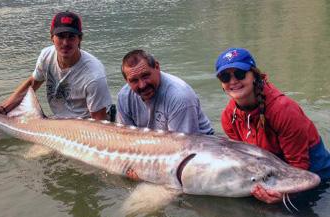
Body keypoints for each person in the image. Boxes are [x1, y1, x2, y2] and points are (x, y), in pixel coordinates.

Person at [215, 48, 330, 203]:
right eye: (225, 77)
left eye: (240, 74)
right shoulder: (228, 117)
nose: (233, 81)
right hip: (272, 174)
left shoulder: (284, 110)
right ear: (221, 84)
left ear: (254, 76)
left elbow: (299, 165)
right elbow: (244, 159)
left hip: (315, 177)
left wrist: (285, 196)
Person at [0, 11, 112, 121]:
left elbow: (99, 123)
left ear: (80, 39)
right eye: (61, 36)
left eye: (71, 37)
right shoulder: (46, 55)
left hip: (86, 125)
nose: (66, 42)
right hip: (58, 121)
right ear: (52, 37)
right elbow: (32, 84)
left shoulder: (94, 75)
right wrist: (4, 109)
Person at [117, 49, 214, 135]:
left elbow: (182, 145)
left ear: (157, 67)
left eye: (146, 75)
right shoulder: (124, 97)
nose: (142, 85)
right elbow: (127, 138)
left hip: (198, 147)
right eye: (134, 80)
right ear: (127, 81)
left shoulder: (179, 97)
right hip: (153, 145)